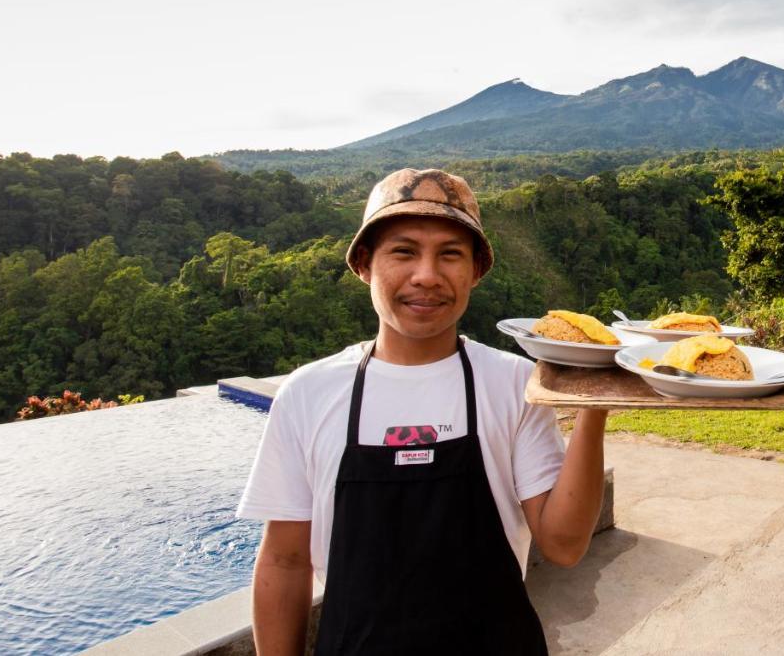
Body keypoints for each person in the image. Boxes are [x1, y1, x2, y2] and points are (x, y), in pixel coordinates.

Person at [237, 168, 608, 655]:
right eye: (404, 251)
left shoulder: (514, 383)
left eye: (450, 254)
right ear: (365, 264)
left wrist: (594, 403)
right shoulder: (309, 393)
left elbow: (563, 545)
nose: (427, 276)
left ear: (475, 271)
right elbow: (285, 562)